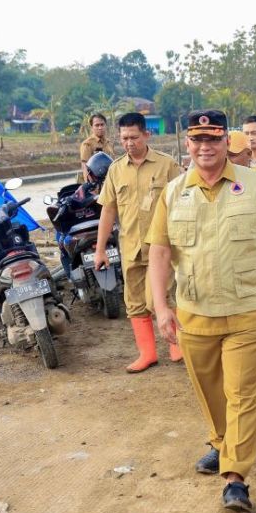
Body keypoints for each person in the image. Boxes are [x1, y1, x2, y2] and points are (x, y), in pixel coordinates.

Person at [146, 110, 256, 513]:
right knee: (210, 389)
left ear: (226, 143)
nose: (205, 148)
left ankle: (235, 477)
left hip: (251, 308)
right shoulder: (174, 192)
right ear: (187, 144)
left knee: (242, 392)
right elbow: (160, 252)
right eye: (197, 140)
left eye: (212, 140)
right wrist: (161, 307)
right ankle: (221, 442)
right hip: (195, 312)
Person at [93, 112, 182, 373]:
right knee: (134, 303)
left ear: (146, 134)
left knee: (162, 298)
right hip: (130, 246)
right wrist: (100, 250)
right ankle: (147, 353)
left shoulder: (167, 165)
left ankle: (177, 345)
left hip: (162, 248)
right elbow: (108, 210)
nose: (129, 143)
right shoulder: (116, 169)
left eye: (133, 137)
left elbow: (183, 203)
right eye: (124, 138)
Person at [80, 113, 115, 181]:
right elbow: (85, 167)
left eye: (102, 124)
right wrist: (91, 186)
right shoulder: (87, 144)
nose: (100, 128)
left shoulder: (109, 143)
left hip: (109, 181)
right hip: (96, 183)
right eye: (97, 125)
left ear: (105, 125)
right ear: (92, 127)